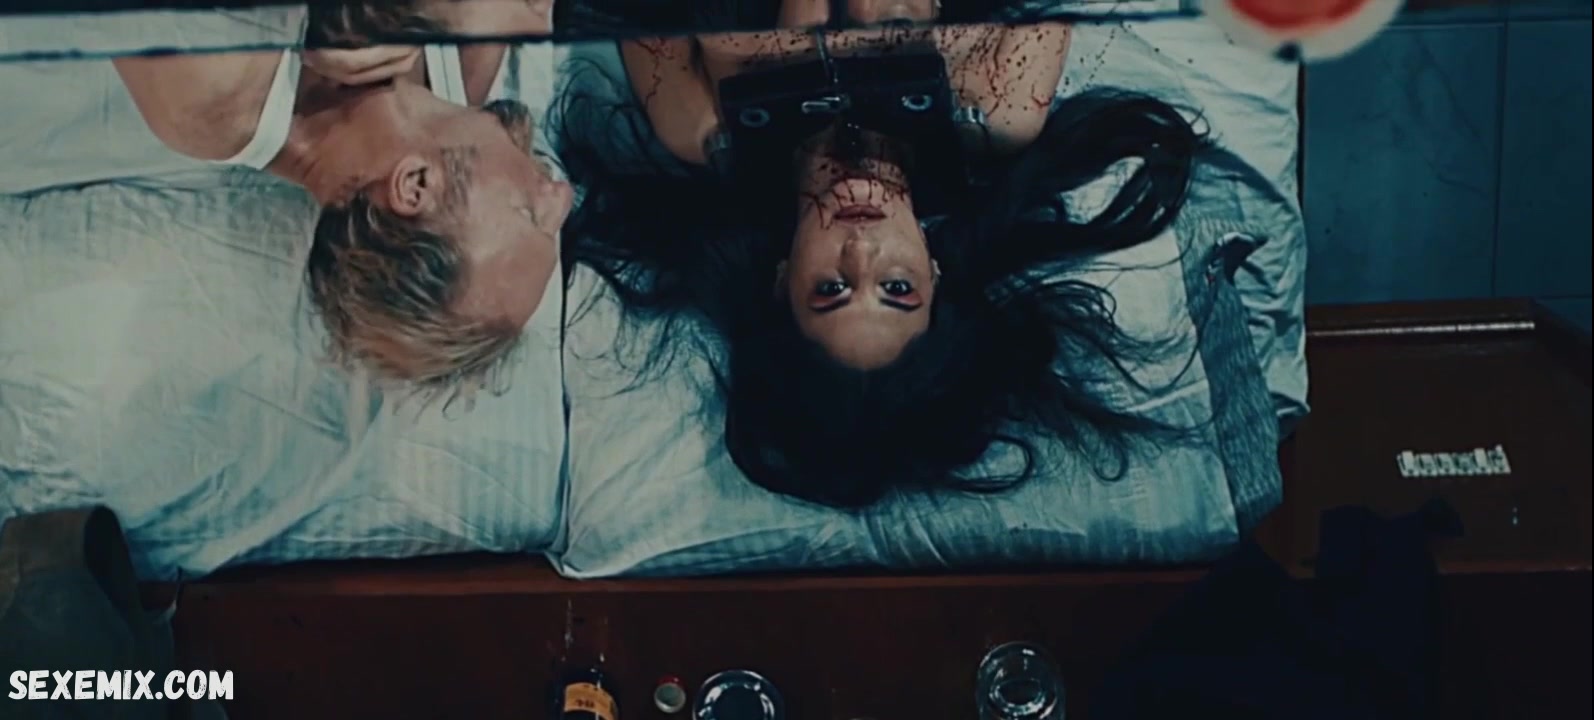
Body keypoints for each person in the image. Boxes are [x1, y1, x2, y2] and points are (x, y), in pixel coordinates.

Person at [556, 13, 1207, 508]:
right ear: (935, 274)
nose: (861, 247)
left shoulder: (703, 129)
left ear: (782, 280)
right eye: (897, 288)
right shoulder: (999, 106)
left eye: (831, 288)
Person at [1, 2, 571, 397]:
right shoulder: (460, 82)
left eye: (531, 217)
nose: (561, 196)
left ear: (415, 185)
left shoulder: (210, 90)